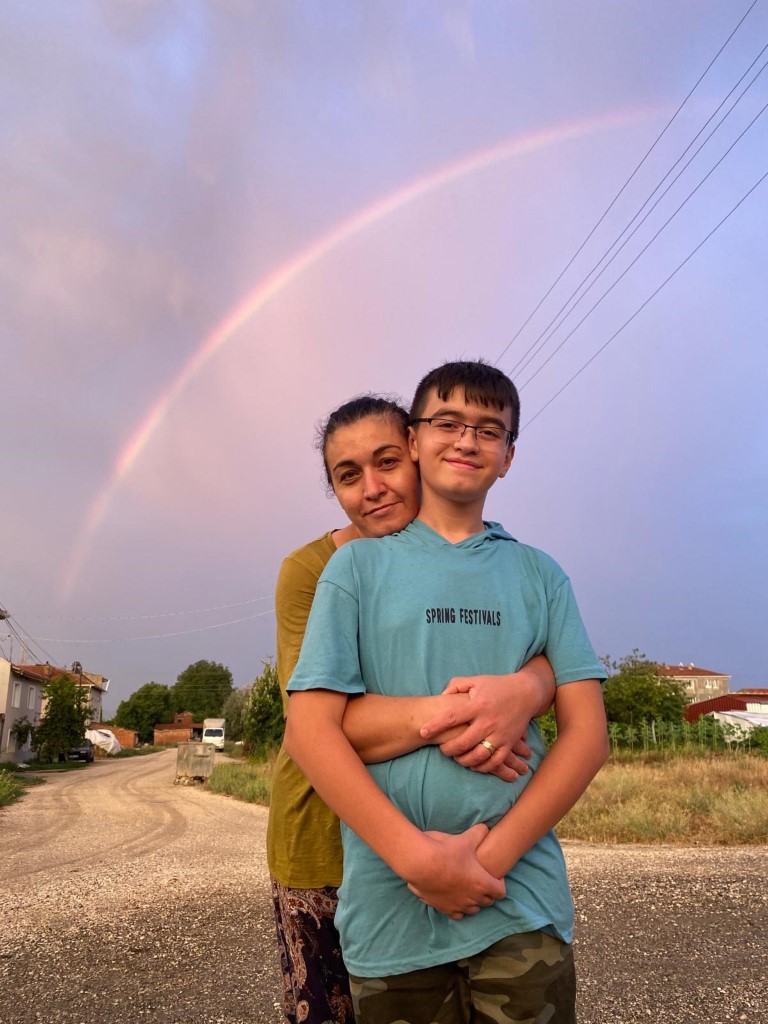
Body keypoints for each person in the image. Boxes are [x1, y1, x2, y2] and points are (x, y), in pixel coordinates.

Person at [285, 361, 609, 1024]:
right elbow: (310, 731)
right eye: (448, 422)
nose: (466, 440)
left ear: (509, 456)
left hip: (520, 902)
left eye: (489, 430)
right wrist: (420, 862)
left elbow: (588, 735)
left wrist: (488, 859)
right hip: (390, 910)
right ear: (415, 438)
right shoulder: (352, 569)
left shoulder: (541, 575)